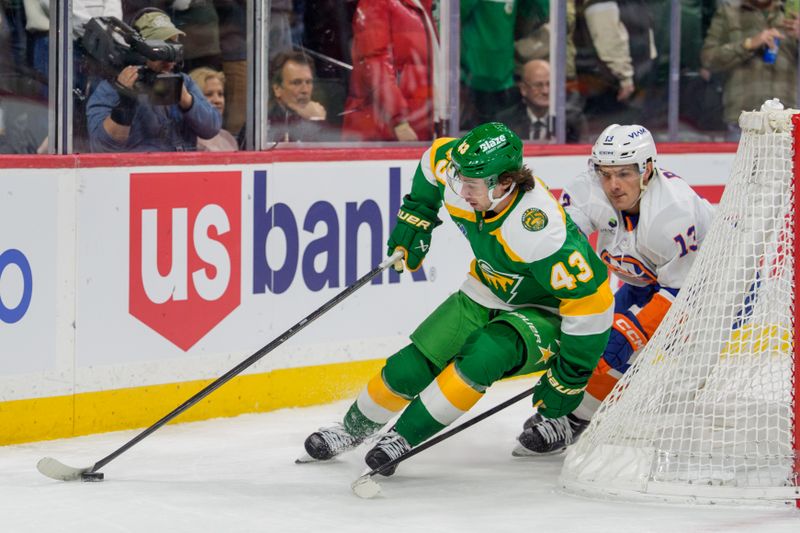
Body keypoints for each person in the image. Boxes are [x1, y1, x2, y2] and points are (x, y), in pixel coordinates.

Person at [301, 122, 613, 476]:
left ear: (505, 183)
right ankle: (352, 430)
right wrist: (416, 217)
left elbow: (593, 303)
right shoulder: (463, 175)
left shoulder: (538, 229)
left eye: (472, 184)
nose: (461, 190)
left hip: (546, 311)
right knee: (415, 362)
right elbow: (432, 160)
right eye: (459, 178)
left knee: (485, 354)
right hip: (484, 290)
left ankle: (404, 437)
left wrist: (570, 376)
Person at [514, 124, 714, 456]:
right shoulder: (590, 190)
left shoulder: (671, 213)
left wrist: (631, 333)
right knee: (595, 336)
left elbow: (682, 295)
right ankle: (570, 406)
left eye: (624, 173)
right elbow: (563, 242)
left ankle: (574, 421)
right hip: (648, 281)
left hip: (713, 289)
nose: (613, 185)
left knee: (624, 346)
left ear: (647, 168)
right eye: (606, 174)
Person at [85, 9, 221, 152]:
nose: (169, 58)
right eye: (160, 49)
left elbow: (211, 128)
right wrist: (125, 102)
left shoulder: (184, 82)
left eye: (174, 47)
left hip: (182, 168)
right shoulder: (112, 88)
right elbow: (102, 147)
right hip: (139, 170)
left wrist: (186, 100)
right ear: (138, 50)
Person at [341, 0, 441, 142]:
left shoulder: (423, 6)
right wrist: (399, 120)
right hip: (387, 128)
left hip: (417, 122)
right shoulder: (377, 3)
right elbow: (374, 62)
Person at [701, 0, 797, 141]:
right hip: (742, 123)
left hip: (786, 123)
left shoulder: (792, 15)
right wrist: (748, 44)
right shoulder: (728, 13)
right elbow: (708, 59)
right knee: (738, 163)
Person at [496, 59, 587, 143]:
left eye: (549, 84)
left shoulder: (572, 120)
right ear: (523, 89)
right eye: (538, 85)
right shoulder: (506, 122)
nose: (545, 91)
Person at [267, 50, 332, 142]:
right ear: (277, 89)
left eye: (308, 82)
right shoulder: (262, 125)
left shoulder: (314, 114)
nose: (305, 90)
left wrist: (317, 120)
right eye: (296, 83)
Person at [188, 67, 238, 151]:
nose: (217, 100)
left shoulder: (228, 139)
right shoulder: (185, 140)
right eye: (208, 94)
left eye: (220, 94)